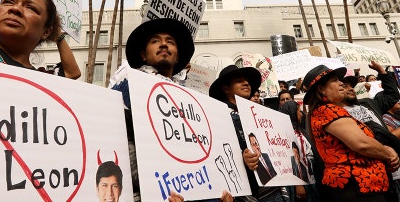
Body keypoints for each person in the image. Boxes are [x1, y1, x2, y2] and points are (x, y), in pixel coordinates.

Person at [110, 18, 229, 202]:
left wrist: (216, 193)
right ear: (143, 54)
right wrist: (154, 188)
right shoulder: (128, 85)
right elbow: (118, 140)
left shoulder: (190, 101)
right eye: (155, 41)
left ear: (178, 56)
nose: (164, 44)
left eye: (170, 41)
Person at [304, 64, 400, 202]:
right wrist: (388, 153)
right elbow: (362, 144)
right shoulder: (327, 110)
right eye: (334, 80)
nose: (341, 83)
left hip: (363, 187)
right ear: (321, 89)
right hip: (355, 187)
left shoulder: (331, 111)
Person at [209, 64, 286, 202]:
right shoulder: (219, 117)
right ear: (226, 88)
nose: (246, 83)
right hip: (247, 191)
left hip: (272, 188)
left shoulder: (257, 116)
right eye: (239, 81)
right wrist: (241, 160)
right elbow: (218, 156)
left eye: (247, 81)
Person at [0, 12, 81, 79]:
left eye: (32, 9)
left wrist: (58, 35)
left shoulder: (38, 78)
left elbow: (72, 73)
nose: (16, 10)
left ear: (45, 33)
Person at [280, 100, 318, 202]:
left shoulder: (300, 131)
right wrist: (298, 184)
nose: (301, 114)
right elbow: (291, 161)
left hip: (311, 174)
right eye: (298, 111)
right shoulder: (285, 135)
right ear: (291, 113)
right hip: (301, 178)